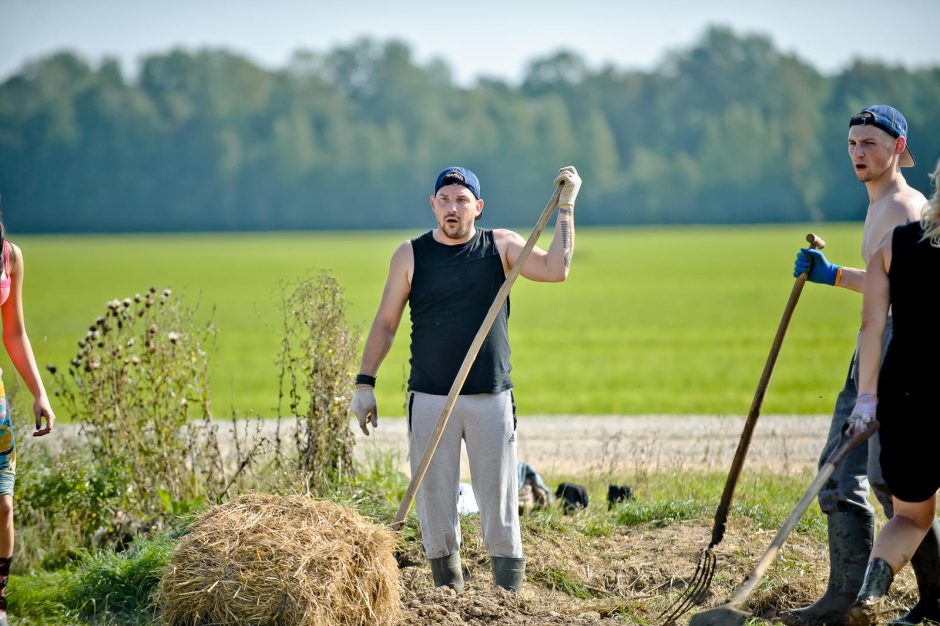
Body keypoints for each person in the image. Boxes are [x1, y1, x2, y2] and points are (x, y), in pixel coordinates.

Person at [348, 165, 581, 593]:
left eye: (461, 200)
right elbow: (385, 323)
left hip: (490, 396)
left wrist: (565, 207)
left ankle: (508, 596)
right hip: (431, 396)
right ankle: (446, 593)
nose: (452, 208)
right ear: (433, 205)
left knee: (499, 499)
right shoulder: (410, 255)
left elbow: (556, 269)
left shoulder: (501, 246)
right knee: (435, 500)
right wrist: (365, 384)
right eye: (445, 199)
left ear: (478, 207)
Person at [780, 105, 939, 626]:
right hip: (880, 345)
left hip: (895, 352)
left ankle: (852, 601)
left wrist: (869, 393)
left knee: (874, 479)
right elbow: (883, 284)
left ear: (898, 148)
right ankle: (864, 597)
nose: (858, 153)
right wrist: (833, 277)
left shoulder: (902, 209)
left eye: (870, 143)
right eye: (852, 144)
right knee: (882, 484)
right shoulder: (881, 206)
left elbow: (903, 300)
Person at [843, 159, 940, 626]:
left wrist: (865, 402)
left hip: (905, 395)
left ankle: (870, 593)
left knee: (911, 517)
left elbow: (872, 324)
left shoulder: (894, 245)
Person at [0, 194, 57, 625]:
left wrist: (39, 392)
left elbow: (15, 332)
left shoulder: (10, 256)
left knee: (3, 505)